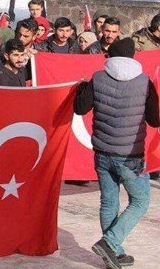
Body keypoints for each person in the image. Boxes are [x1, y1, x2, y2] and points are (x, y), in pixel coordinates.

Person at [74, 38, 159, 269]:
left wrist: (82, 88)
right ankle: (110, 243)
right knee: (141, 200)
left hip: (102, 151)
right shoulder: (144, 82)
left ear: (110, 56)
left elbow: (80, 108)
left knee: (109, 201)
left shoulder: (98, 77)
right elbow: (155, 120)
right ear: (133, 57)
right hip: (130, 155)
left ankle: (113, 252)